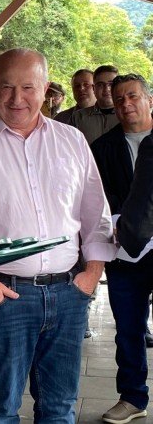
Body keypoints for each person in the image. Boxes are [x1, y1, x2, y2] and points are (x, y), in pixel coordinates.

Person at [0, 48, 114, 423]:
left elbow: (94, 211)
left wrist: (92, 273)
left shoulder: (71, 141)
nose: (17, 98)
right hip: (4, 296)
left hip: (69, 294)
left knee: (59, 405)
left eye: (27, 87)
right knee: (0, 407)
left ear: (46, 88)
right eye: (6, 87)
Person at [92, 74, 153, 424]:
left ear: (148, 99)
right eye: (118, 99)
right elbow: (98, 196)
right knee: (128, 329)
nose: (126, 104)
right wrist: (119, 219)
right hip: (125, 252)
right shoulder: (103, 148)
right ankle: (132, 398)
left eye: (132, 96)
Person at [70, 65, 120, 144]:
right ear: (94, 89)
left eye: (111, 84)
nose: (106, 89)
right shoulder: (78, 117)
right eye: (100, 85)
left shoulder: (127, 115)